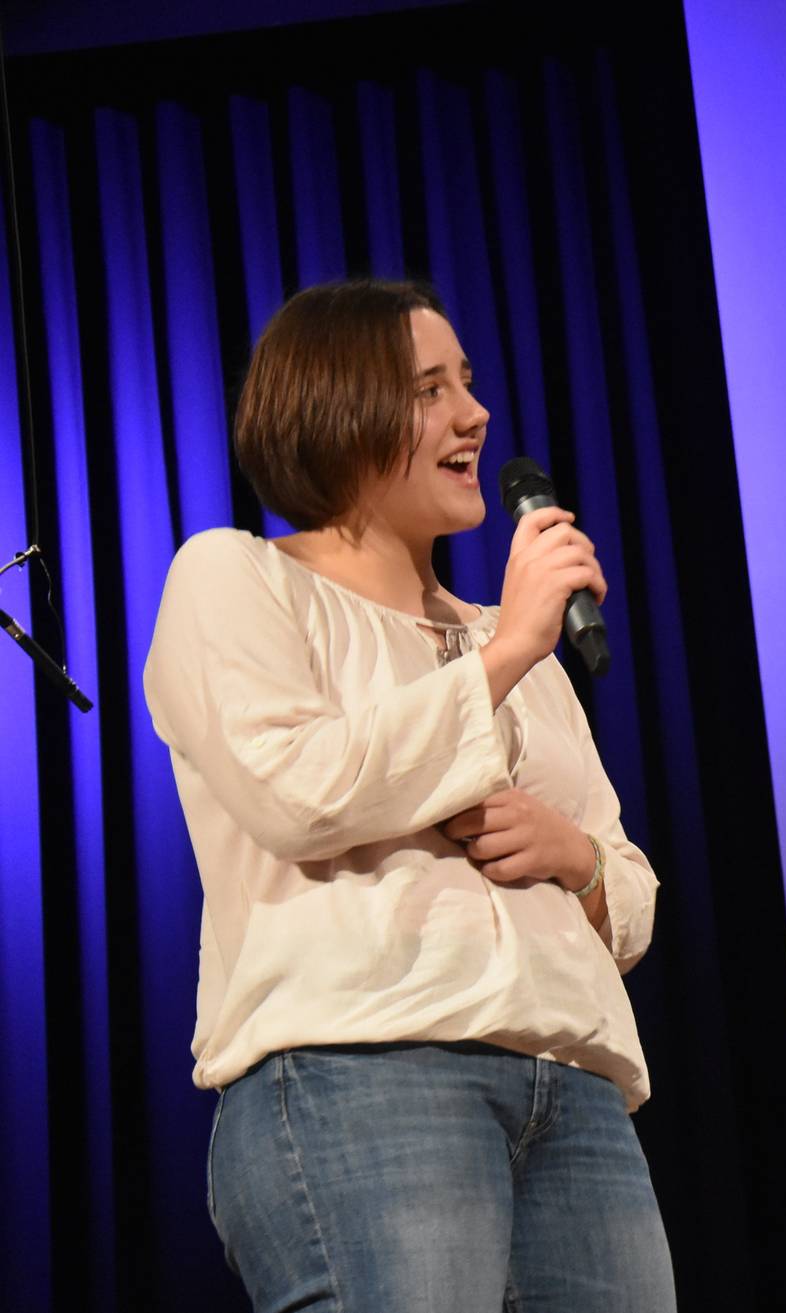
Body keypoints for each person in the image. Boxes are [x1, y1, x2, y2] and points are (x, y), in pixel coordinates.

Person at [143, 279, 676, 1311]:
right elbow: (300, 789)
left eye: (467, 383)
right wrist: (512, 647)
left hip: (573, 1089)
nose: (474, 414)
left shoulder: (506, 640)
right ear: (336, 410)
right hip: (366, 1078)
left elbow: (629, 892)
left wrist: (575, 857)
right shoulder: (237, 578)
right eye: (430, 387)